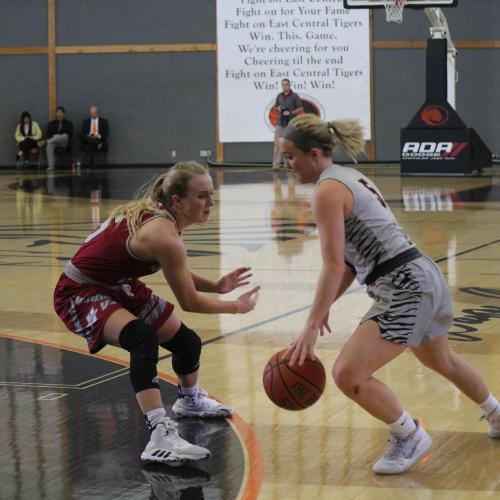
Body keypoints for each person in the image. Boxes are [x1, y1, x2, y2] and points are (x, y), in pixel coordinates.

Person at [280, 114, 500, 474]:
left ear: (316, 154)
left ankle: (409, 435)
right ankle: (496, 413)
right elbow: (350, 266)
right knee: (440, 360)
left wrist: (310, 324)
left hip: (405, 283)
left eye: (290, 156)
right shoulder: (348, 178)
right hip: (422, 272)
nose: (286, 165)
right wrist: (323, 308)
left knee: (348, 374)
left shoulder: (327, 191)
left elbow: (333, 265)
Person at [54, 161, 260, 464]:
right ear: (177, 201)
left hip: (116, 283)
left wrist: (216, 285)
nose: (211, 202)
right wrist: (234, 306)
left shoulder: (166, 221)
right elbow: (189, 301)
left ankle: (189, 401)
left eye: (211, 194)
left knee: (186, 343)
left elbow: (177, 270)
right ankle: (159, 435)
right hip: (79, 291)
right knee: (141, 337)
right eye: (202, 196)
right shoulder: (164, 234)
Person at [272, 79, 304, 171]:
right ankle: (276, 166)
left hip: (290, 123)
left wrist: (291, 112)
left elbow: (300, 108)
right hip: (280, 123)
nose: (284, 86)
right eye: (283, 85)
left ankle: (289, 165)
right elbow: (275, 107)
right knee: (277, 144)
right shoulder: (279, 96)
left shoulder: (295, 96)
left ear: (289, 85)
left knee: (289, 145)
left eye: (286, 84)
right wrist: (277, 108)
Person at [46, 106, 74, 171]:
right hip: (54, 142)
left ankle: (47, 141)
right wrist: (55, 137)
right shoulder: (51, 123)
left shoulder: (69, 123)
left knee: (65, 135)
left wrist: (59, 136)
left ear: (63, 113)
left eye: (61, 112)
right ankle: (51, 166)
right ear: (56, 113)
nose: (59, 114)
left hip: (64, 142)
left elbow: (70, 134)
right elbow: (48, 135)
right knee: (49, 146)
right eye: (58, 112)